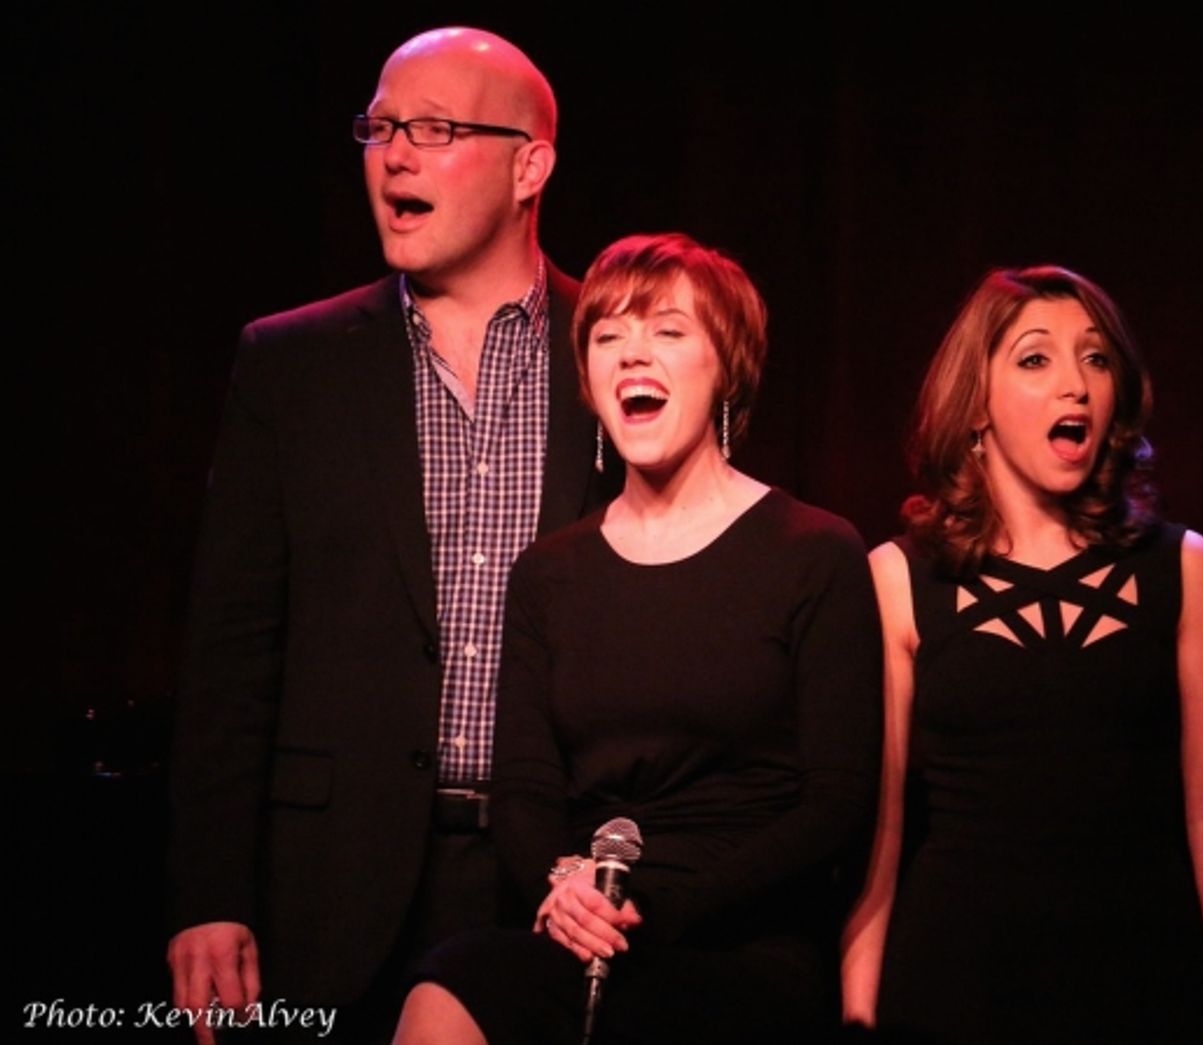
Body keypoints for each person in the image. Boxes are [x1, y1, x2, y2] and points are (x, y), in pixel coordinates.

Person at [165, 26, 614, 1041]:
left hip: (546, 887)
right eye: (379, 128)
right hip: (323, 884)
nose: (394, 154)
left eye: (435, 129)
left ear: (528, 165)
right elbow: (231, 645)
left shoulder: (622, 356)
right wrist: (207, 889)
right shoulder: (293, 364)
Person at [392, 233, 883, 1045]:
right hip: (586, 922)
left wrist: (663, 904)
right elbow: (524, 789)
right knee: (450, 984)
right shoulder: (550, 573)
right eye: (608, 336)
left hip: (740, 940)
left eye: (666, 331)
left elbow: (836, 802)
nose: (632, 356)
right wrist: (565, 886)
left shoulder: (813, 550)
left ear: (726, 365)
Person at [841, 266, 1203, 1044]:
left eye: (1095, 359)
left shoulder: (1186, 569)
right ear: (975, 407)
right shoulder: (900, 578)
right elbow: (881, 828)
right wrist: (858, 1014)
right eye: (1036, 359)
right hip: (955, 986)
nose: (1075, 385)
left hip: (1142, 980)